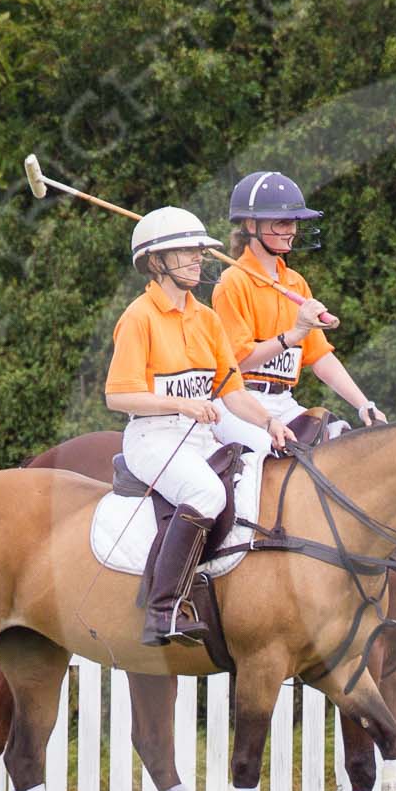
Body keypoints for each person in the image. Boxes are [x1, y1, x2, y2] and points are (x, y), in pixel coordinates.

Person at [105, 206, 296, 646]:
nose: (197, 259)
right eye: (185, 252)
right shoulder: (139, 317)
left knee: (255, 485)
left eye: (198, 251)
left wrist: (269, 422)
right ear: (157, 263)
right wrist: (183, 404)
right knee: (206, 493)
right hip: (151, 438)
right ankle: (161, 608)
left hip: (197, 439)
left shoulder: (207, 319)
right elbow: (117, 396)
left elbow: (232, 393)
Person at [210, 170, 387, 445]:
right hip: (238, 403)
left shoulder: (295, 282)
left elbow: (319, 357)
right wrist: (292, 335)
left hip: (284, 401)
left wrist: (364, 404)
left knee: (339, 446)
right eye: (281, 223)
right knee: (268, 455)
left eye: (294, 222)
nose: (291, 231)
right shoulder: (232, 283)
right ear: (250, 224)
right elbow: (238, 363)